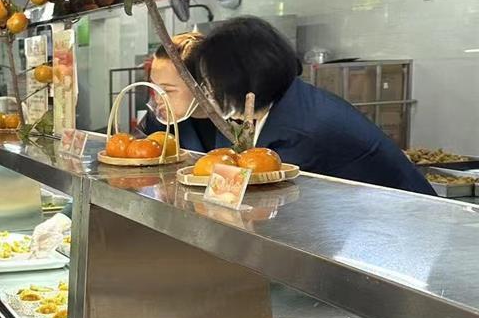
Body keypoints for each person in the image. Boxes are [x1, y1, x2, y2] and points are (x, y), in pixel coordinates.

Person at [144, 17, 433, 193]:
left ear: (241, 77)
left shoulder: (301, 129)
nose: (207, 89)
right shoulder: (264, 111)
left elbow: (258, 195)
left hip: (403, 237)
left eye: (210, 79)